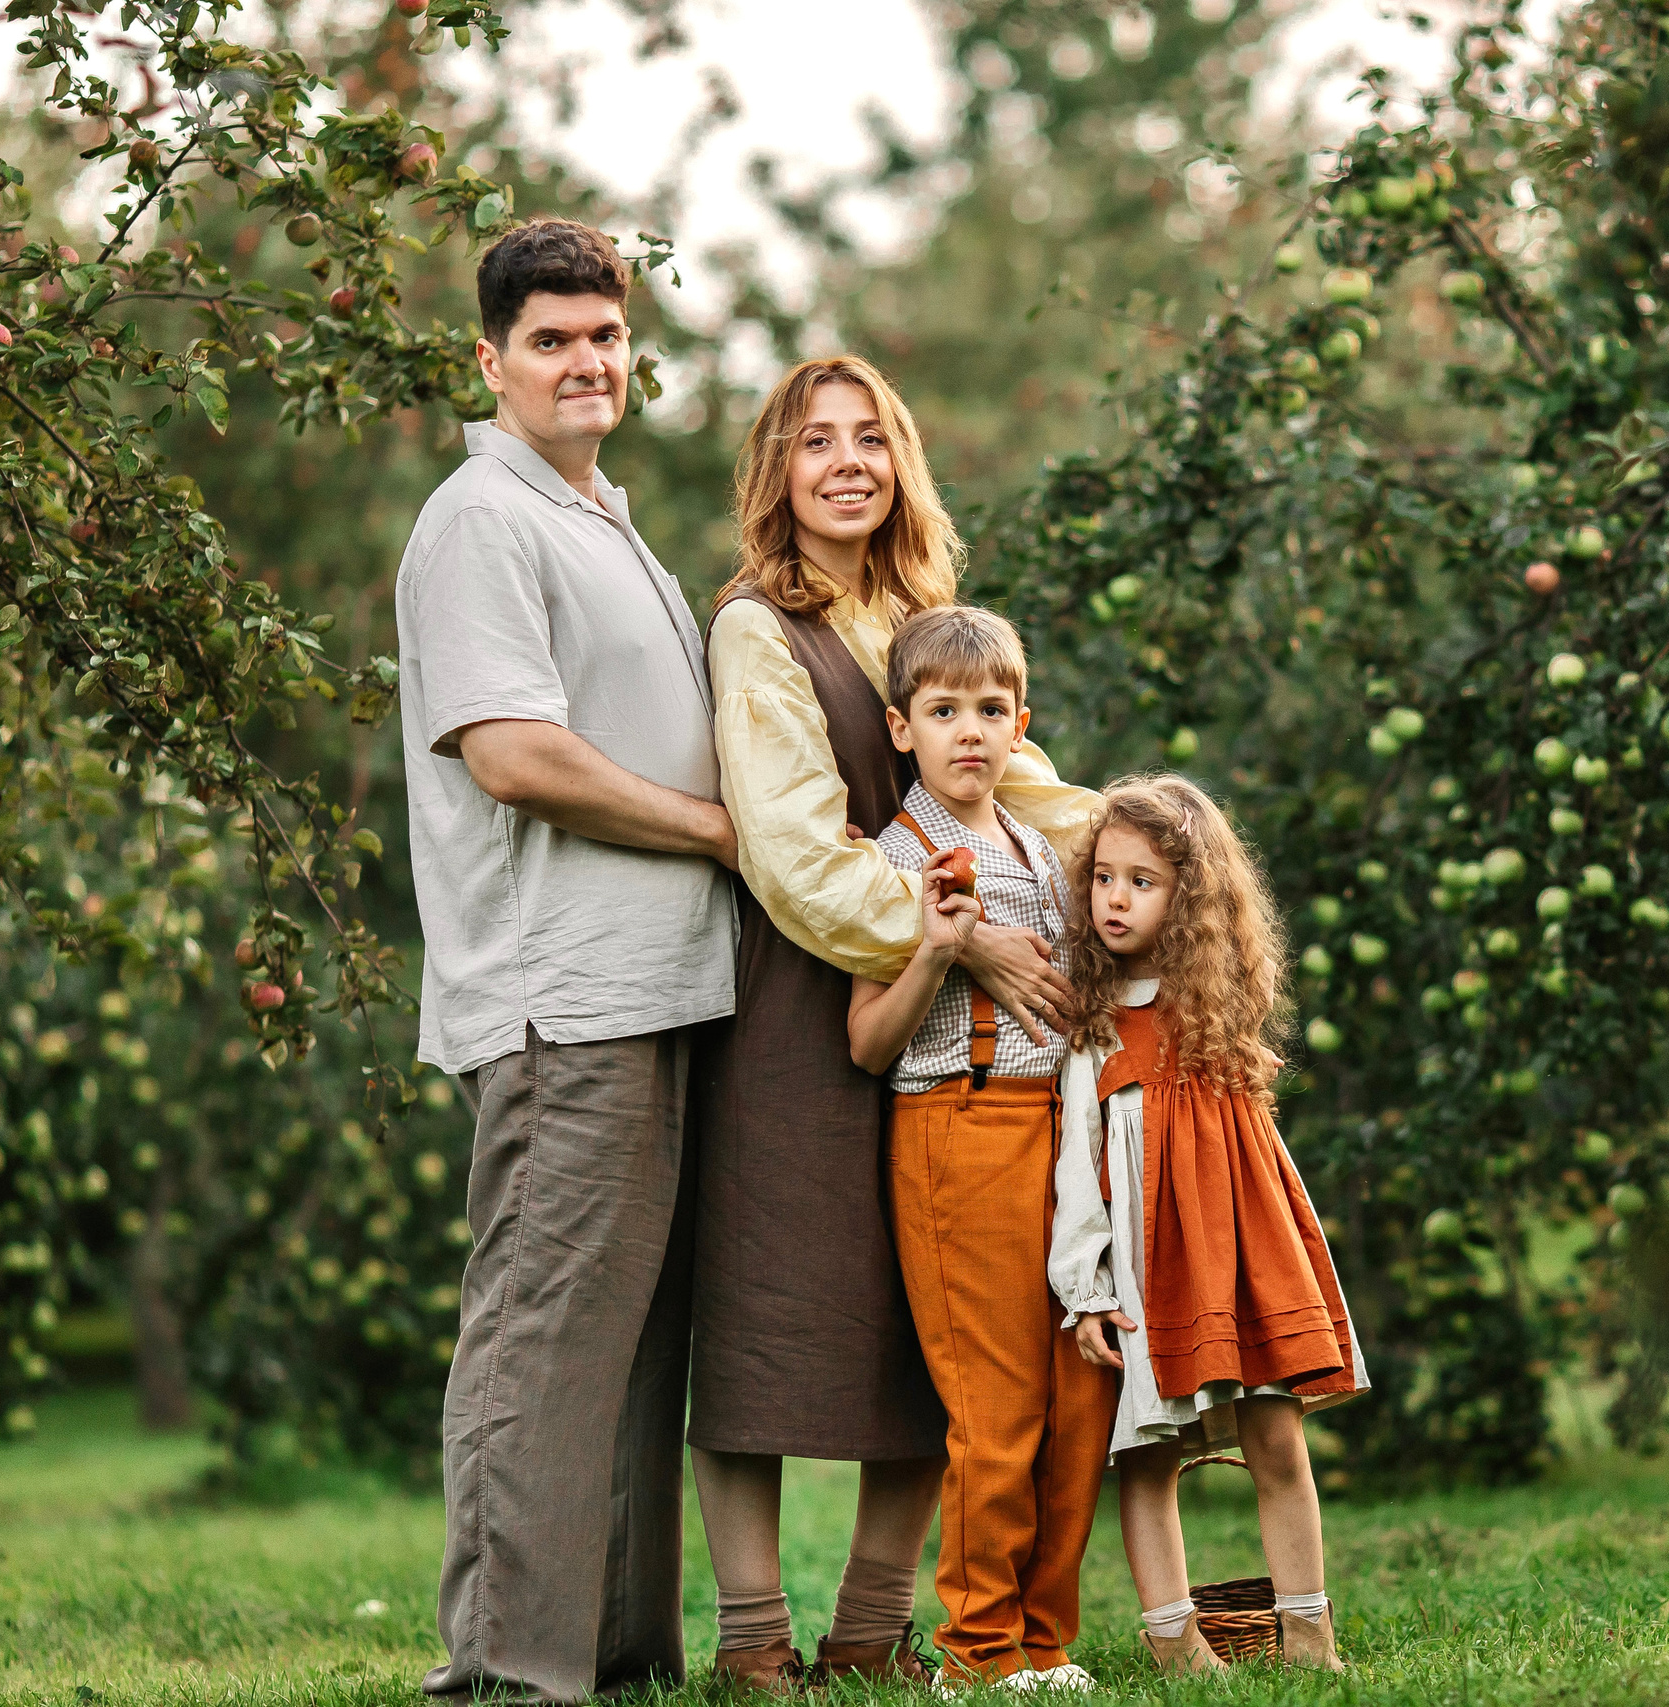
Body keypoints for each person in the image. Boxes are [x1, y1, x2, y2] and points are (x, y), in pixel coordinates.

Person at [692, 355, 1097, 1692]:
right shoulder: (761, 623)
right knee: (766, 1314)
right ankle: (754, 1636)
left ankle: (871, 1627)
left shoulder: (927, 617)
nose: (849, 460)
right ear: (779, 470)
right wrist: (971, 939)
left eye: (873, 437)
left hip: (943, 1017)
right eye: (818, 441)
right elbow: (795, 848)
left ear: (904, 461)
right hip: (806, 988)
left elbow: (1028, 791)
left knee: (931, 1329)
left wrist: (1146, 858)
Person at [397, 218, 737, 1702]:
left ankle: (616, 1654)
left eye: (602, 335)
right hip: (562, 997)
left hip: (660, 986)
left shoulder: (599, 512)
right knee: (543, 1337)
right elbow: (518, 754)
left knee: (631, 1346)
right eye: (551, 340)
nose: (585, 360)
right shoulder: (484, 517)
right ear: (493, 361)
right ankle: (509, 1674)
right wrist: (720, 831)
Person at [1047, 775, 1370, 1676]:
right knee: (1147, 1453)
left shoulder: (1220, 1004)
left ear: (1190, 898)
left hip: (1240, 1248)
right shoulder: (1095, 1020)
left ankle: (1309, 1634)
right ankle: (1174, 1640)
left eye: (1142, 881)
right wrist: (1087, 1289)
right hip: (1151, 1260)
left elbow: (1243, 1153)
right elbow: (1078, 1163)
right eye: (1104, 876)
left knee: (1276, 1432)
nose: (1114, 896)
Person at [847, 606, 1114, 1689]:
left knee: (1080, 1399)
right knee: (996, 1407)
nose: (970, 730)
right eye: (943, 710)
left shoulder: (1050, 856)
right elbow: (867, 1043)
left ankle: (1045, 1645)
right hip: (956, 1128)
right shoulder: (885, 861)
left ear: (1022, 727)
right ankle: (976, 1648)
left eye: (990, 710)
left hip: (1067, 1141)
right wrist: (936, 952)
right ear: (900, 728)